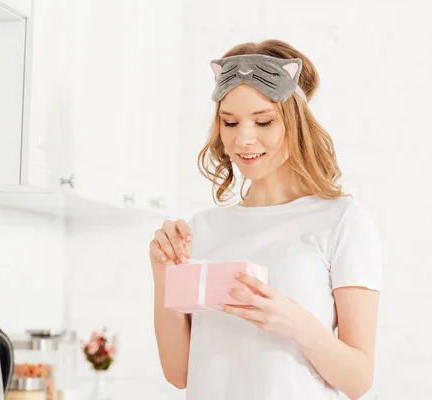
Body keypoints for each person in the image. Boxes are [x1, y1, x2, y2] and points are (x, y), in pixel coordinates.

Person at [149, 39, 382, 400]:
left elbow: (358, 380)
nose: (243, 138)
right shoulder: (202, 230)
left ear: (296, 122)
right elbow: (179, 373)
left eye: (263, 121)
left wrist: (294, 323)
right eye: (230, 122)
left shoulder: (342, 222)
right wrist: (162, 270)